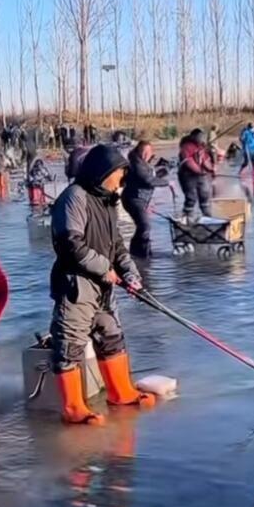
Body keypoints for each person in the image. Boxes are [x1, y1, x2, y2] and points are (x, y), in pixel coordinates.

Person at [49, 144, 156, 426]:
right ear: (103, 171)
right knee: (70, 344)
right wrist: (103, 268)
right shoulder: (74, 197)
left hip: (104, 289)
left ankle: (121, 393)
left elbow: (117, 246)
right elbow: (69, 244)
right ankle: (73, 407)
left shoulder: (108, 201)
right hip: (77, 285)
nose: (122, 179)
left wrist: (131, 274)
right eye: (120, 172)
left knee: (111, 336)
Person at [122, 140, 170, 258]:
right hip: (133, 199)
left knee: (144, 227)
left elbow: (150, 177)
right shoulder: (136, 164)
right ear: (140, 151)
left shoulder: (142, 163)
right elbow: (148, 180)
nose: (147, 154)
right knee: (145, 226)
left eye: (149, 152)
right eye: (145, 151)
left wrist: (163, 172)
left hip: (141, 199)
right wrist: (168, 183)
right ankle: (138, 254)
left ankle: (143, 253)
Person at [178, 128, 214, 220]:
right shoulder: (186, 147)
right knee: (191, 197)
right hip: (188, 176)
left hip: (201, 176)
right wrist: (199, 171)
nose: (201, 138)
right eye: (199, 136)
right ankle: (187, 218)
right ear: (193, 136)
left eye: (202, 136)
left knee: (205, 195)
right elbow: (188, 162)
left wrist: (211, 169)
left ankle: (208, 218)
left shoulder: (202, 147)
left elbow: (206, 161)